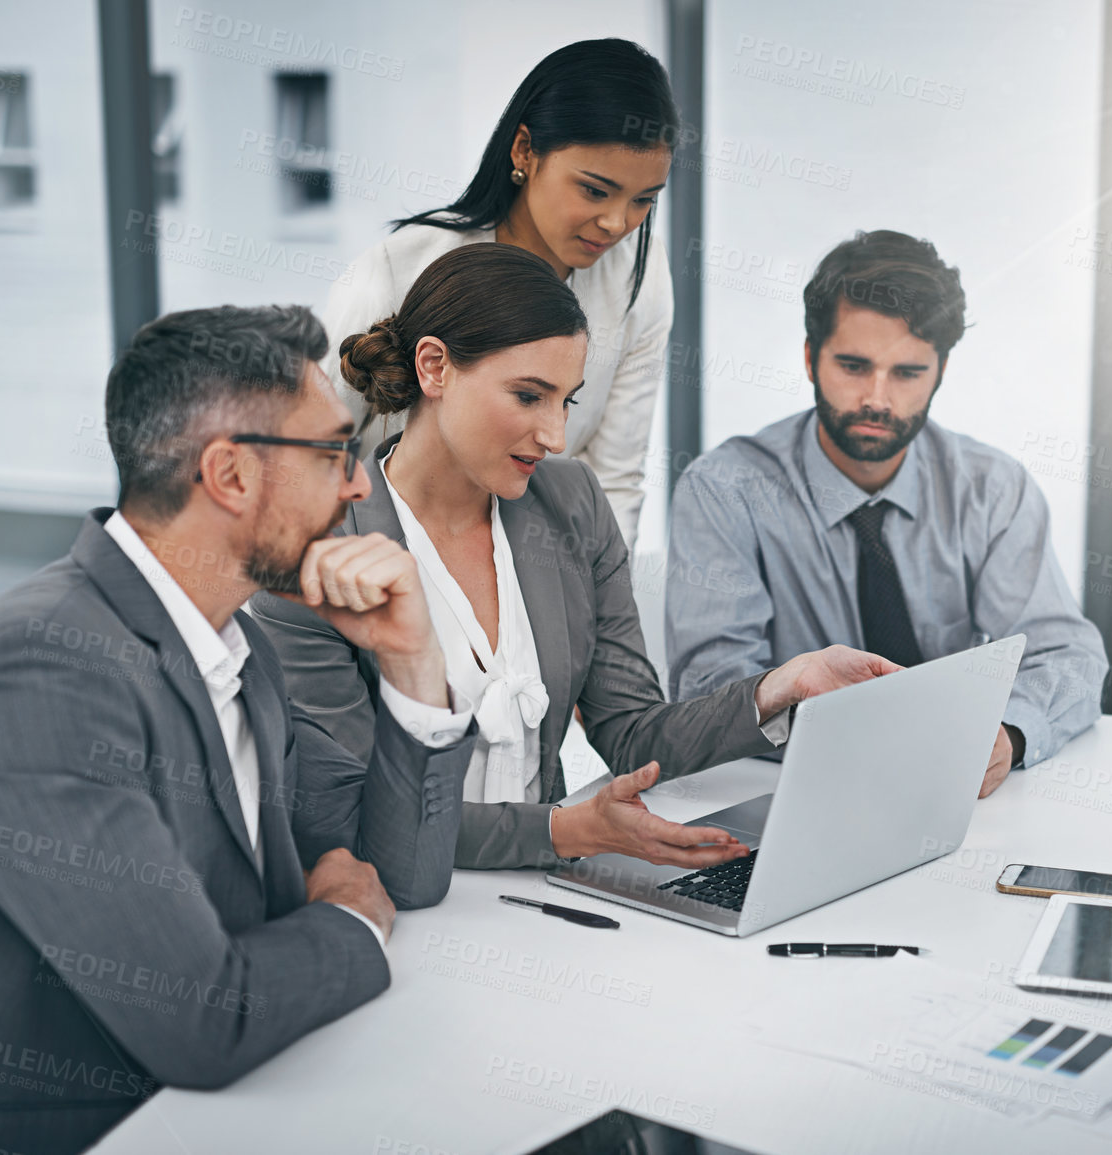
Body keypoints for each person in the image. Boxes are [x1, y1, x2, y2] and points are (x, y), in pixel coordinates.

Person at [0, 307, 477, 1155]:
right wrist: (351, 924)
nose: (360, 486)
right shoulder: (40, 670)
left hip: (208, 1111)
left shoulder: (234, 644)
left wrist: (411, 655)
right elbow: (206, 1021)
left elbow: (402, 870)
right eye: (334, 454)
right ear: (230, 475)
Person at [253, 244, 897, 872]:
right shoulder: (319, 550)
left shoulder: (569, 502)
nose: (555, 435)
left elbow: (634, 731)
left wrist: (779, 686)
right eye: (529, 397)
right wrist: (563, 830)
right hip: (402, 905)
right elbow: (355, 816)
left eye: (567, 401)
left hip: (552, 892)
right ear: (435, 368)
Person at [666, 230, 1109, 798]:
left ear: (941, 371)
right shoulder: (726, 489)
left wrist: (1007, 735)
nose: (877, 399)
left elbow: (1069, 657)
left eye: (907, 373)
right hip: (792, 793)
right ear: (809, 358)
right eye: (853, 366)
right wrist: (853, 737)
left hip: (955, 799)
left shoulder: (992, 489)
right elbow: (710, 689)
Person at [321, 37, 679, 544]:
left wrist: (597, 608)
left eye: (644, 199)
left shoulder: (639, 279)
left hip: (535, 567)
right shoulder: (398, 271)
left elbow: (614, 479)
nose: (617, 222)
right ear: (525, 150)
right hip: (380, 559)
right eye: (594, 190)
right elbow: (311, 452)